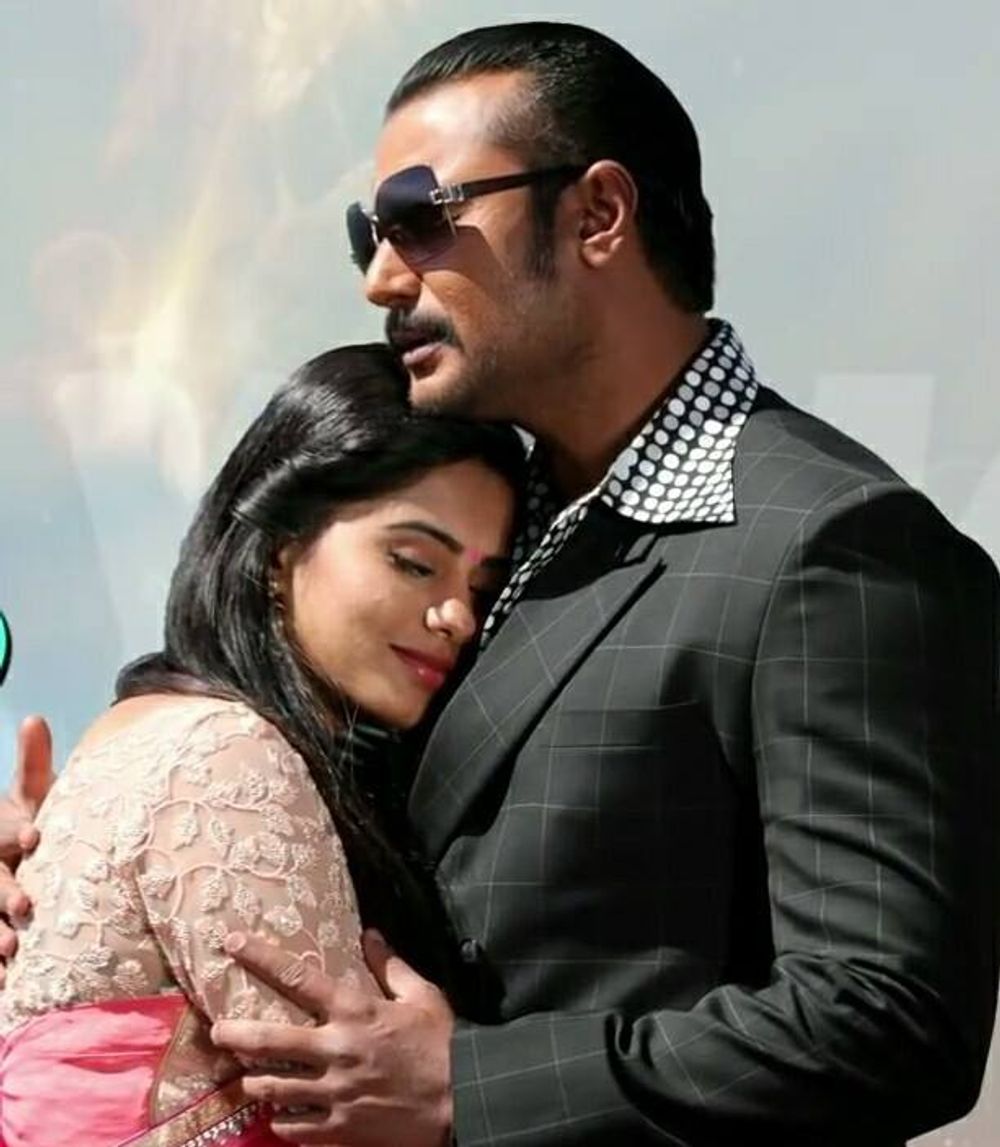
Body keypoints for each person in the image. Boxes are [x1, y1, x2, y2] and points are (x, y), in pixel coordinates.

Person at [2, 19, 998, 1147]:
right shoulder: (490, 518)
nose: (382, 276)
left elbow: (890, 1017)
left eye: (422, 218)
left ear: (599, 214)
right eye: (367, 234)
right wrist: (87, 869)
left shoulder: (828, 543)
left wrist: (470, 1089)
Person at [0, 343, 524, 1146]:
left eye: (480, 591)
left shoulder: (159, 722)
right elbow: (353, 1122)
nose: (456, 615)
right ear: (281, 547)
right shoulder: (226, 752)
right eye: (415, 563)